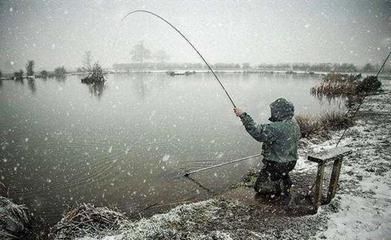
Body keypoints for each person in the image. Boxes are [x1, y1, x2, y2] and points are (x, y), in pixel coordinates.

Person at [234, 98, 301, 199]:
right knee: (281, 172)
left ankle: (279, 189)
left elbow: (257, 132)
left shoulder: (276, 127)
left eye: (274, 110)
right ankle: (284, 181)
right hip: (291, 162)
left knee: (259, 188)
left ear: (279, 112)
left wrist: (243, 115)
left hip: (276, 165)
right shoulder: (294, 124)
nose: (272, 112)